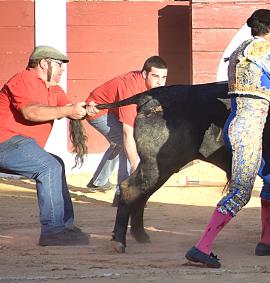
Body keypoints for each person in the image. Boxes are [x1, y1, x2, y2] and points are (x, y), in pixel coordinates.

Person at [185, 9, 270, 268]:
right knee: (240, 192)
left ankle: (267, 241)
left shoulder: (241, 50)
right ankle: (201, 247)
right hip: (248, 129)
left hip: (240, 125)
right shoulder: (264, 51)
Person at [0, 46, 89, 246]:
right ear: (43, 63)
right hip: (5, 141)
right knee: (49, 166)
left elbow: (68, 109)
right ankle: (53, 230)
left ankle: (65, 227)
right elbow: (31, 113)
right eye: (58, 64)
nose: (62, 70)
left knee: (56, 162)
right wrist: (67, 110)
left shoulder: (54, 89)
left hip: (19, 144)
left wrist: (88, 109)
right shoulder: (24, 79)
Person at [84, 57, 168, 203]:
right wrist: (136, 166)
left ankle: (98, 181)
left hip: (112, 109)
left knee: (119, 143)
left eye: (163, 77)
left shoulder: (150, 85)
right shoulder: (131, 89)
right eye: (155, 76)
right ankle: (123, 195)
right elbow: (127, 132)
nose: (160, 82)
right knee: (127, 145)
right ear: (144, 74)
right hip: (98, 111)